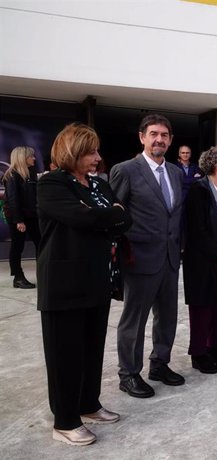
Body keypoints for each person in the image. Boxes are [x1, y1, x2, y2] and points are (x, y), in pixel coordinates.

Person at [37, 123, 132, 445]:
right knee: (65, 354)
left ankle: (88, 404)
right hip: (63, 284)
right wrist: (108, 215)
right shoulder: (51, 184)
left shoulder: (97, 185)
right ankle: (65, 420)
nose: (97, 157)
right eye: (91, 152)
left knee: (92, 349)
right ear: (72, 152)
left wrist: (105, 214)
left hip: (98, 278)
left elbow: (124, 219)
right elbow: (86, 219)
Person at [110, 114, 185, 398]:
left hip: (169, 258)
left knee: (167, 316)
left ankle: (159, 364)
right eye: (153, 134)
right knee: (135, 320)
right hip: (138, 258)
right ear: (142, 137)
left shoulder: (176, 173)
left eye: (164, 135)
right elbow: (115, 216)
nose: (159, 139)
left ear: (170, 140)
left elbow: (176, 215)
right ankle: (128, 374)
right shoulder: (126, 170)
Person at [183, 147, 217, 374]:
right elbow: (197, 229)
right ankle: (199, 353)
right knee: (202, 307)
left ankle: (214, 347)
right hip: (202, 261)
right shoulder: (199, 190)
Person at [2, 146, 41, 288]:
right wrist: (18, 220)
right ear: (23, 158)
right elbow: (13, 199)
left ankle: (43, 275)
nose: (34, 158)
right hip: (18, 218)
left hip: (31, 216)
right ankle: (18, 277)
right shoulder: (12, 175)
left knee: (40, 243)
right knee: (17, 247)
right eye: (31, 156)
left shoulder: (29, 174)